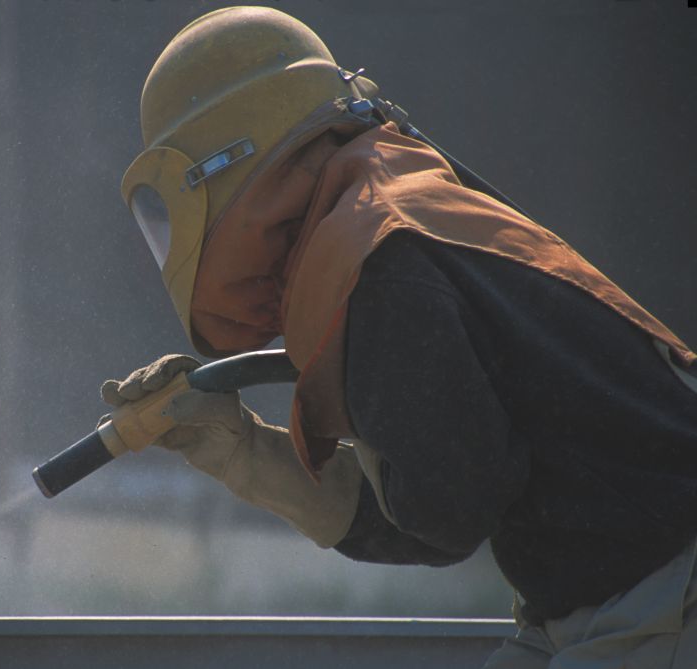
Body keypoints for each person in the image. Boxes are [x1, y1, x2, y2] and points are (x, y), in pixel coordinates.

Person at [107, 6, 697, 667]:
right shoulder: (390, 205)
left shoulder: (377, 257)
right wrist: (242, 451)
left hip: (664, 588)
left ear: (218, 167)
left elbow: (447, 510)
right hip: (614, 591)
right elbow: (448, 479)